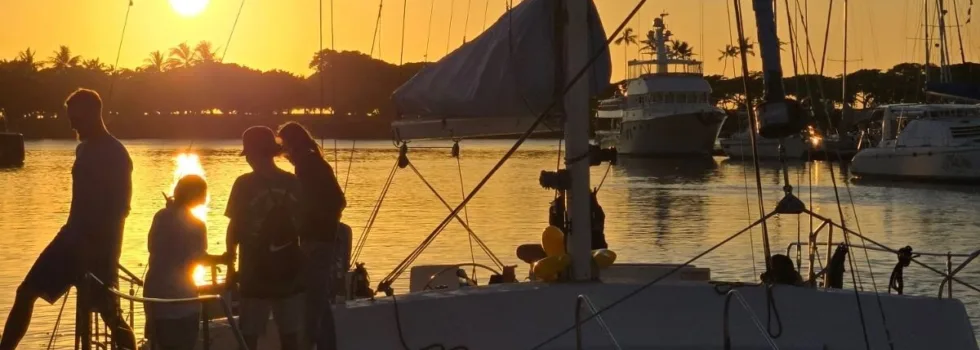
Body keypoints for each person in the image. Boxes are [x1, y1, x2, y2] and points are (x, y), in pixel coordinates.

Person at [0, 89, 136, 350]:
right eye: (70, 119)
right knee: (25, 292)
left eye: (77, 119)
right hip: (69, 239)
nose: (72, 125)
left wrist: (99, 250)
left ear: (94, 115)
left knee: (111, 315)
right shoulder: (82, 149)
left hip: (99, 248)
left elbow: (121, 208)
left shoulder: (116, 154)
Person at [225, 126, 305, 350]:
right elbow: (304, 225)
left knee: (249, 337)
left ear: (253, 153)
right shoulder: (293, 182)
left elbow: (234, 228)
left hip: (254, 273)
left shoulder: (244, 184)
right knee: (290, 336)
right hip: (290, 272)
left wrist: (230, 264)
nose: (247, 159)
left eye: (248, 153)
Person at [277, 121, 347, 350]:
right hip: (321, 238)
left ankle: (311, 343)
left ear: (292, 144)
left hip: (317, 241)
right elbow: (337, 201)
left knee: (313, 300)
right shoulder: (314, 162)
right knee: (318, 299)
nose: (284, 154)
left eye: (284, 147)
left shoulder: (307, 165)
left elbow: (336, 201)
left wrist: (309, 222)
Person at [144, 175, 228, 350]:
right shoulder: (197, 225)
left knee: (161, 344)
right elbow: (199, 258)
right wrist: (221, 259)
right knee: (185, 343)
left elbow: (152, 247)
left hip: (155, 292)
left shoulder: (160, 216)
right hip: (182, 296)